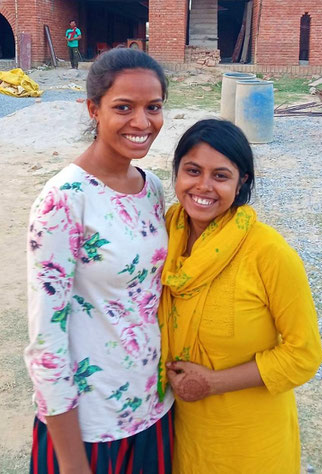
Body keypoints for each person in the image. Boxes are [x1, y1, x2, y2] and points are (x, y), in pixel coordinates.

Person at [24, 48, 174, 474]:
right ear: (93, 108)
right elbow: (45, 341)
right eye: (123, 107)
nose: (142, 123)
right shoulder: (63, 200)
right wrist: (72, 463)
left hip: (153, 410)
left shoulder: (152, 188)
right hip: (89, 429)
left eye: (154, 107)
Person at [158, 119, 322, 474]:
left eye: (220, 175)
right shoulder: (166, 229)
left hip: (250, 445)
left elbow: (304, 355)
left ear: (241, 181)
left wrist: (212, 382)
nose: (203, 186)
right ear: (176, 173)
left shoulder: (268, 253)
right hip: (183, 434)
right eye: (192, 170)